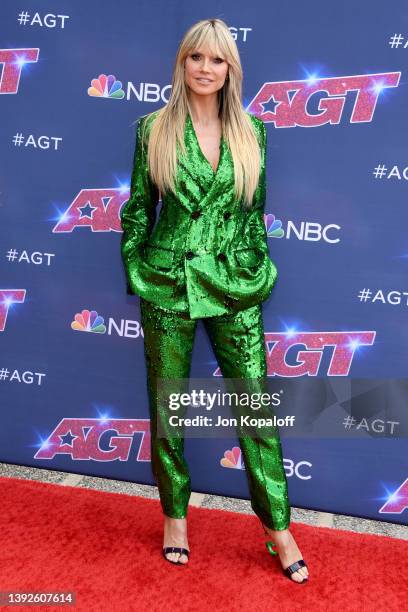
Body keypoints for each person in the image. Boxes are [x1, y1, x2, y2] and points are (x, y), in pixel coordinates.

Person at [120, 18, 309, 584]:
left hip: (234, 283)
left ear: (231, 68)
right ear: (181, 64)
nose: (205, 68)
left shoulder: (254, 133)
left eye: (217, 59)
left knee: (255, 407)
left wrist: (258, 268)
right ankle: (175, 517)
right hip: (167, 281)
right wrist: (139, 265)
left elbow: (254, 215)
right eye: (195, 57)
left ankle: (278, 526)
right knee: (169, 409)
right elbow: (137, 210)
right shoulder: (150, 129)